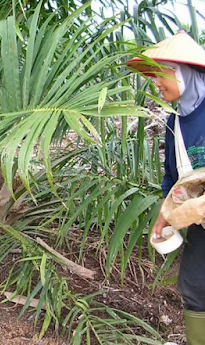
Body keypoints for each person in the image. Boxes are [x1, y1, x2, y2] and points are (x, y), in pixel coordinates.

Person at [128, 31, 205, 345]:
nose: (156, 84)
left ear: (181, 71)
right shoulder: (175, 122)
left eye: (160, 75)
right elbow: (172, 180)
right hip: (200, 222)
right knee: (194, 286)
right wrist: (163, 219)